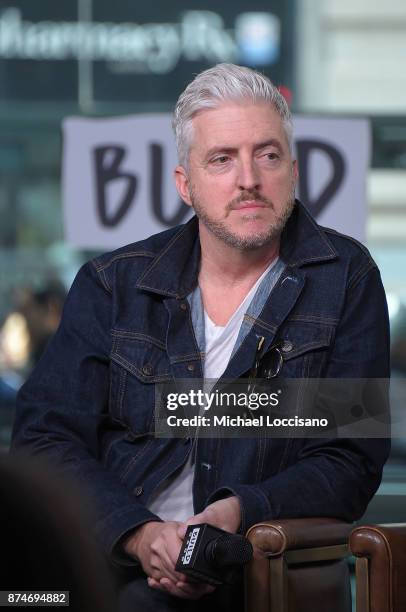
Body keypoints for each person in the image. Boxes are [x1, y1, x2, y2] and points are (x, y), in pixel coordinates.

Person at [12, 64, 390, 611]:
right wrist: (139, 534)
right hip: (108, 556)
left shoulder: (345, 276)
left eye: (267, 154)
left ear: (293, 170)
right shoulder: (114, 283)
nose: (249, 180)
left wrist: (235, 511)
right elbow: (45, 440)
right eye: (222, 159)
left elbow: (350, 458)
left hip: (254, 567)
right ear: (184, 184)